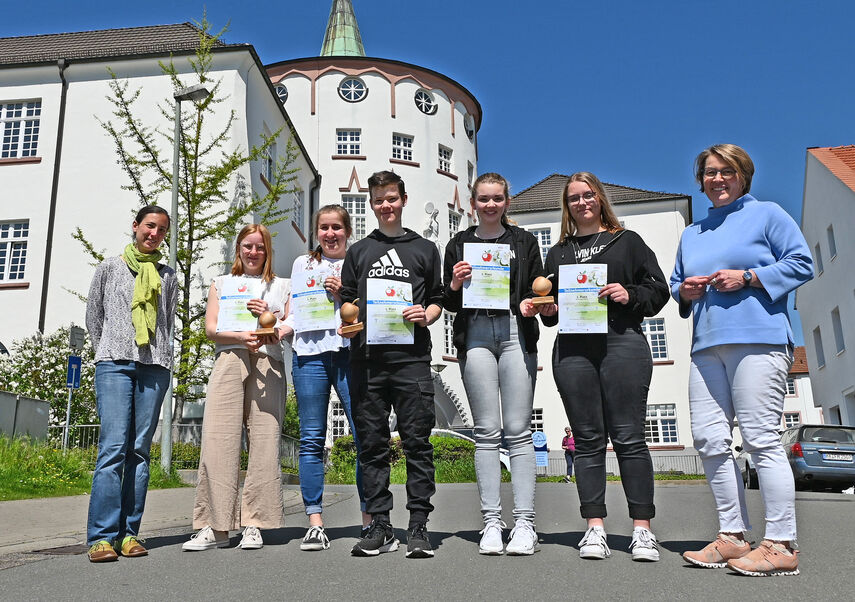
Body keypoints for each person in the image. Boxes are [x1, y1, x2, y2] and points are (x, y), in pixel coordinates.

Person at [673, 144, 813, 576]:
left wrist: (749, 277)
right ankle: (733, 537)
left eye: (726, 172)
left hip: (759, 338)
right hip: (705, 345)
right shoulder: (691, 233)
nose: (717, 180)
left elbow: (802, 262)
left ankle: (782, 543)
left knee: (761, 438)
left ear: (743, 176)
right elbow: (677, 285)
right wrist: (687, 291)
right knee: (711, 441)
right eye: (709, 173)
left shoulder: (767, 214)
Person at [539, 172, 669, 562]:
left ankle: (641, 530)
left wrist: (629, 293)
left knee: (629, 438)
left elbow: (658, 289)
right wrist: (548, 308)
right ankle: (594, 527)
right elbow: (549, 313)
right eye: (574, 198)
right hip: (574, 351)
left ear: (599, 199)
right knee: (588, 440)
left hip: (622, 343)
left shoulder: (626, 241)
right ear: (567, 206)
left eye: (588, 195)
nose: (582, 203)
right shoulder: (558, 253)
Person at [340, 170, 443, 558]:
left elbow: (437, 296)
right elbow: (347, 301)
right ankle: (380, 525)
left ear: (403, 199)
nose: (386, 205)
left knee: (417, 443)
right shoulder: (359, 251)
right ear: (371, 204)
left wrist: (428, 315)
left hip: (411, 359)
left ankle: (418, 526)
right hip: (366, 360)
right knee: (372, 446)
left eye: (392, 198)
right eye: (379, 199)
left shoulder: (424, 249)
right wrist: (348, 325)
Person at [443, 172, 543, 555]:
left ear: (507, 201)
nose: (490, 205)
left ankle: (524, 524)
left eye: (497, 198)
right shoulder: (459, 243)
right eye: (483, 199)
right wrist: (453, 283)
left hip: (516, 332)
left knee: (517, 430)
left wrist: (530, 303)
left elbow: (539, 288)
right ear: (473, 203)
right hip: (476, 335)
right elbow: (449, 304)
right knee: (485, 430)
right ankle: (490, 522)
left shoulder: (524, 241)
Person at [183, 224, 290, 552]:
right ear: (238, 249)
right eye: (247, 246)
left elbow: (290, 321)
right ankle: (212, 526)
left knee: (265, 440)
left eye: (259, 247)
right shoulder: (221, 283)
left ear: (267, 250)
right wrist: (240, 337)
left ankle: (255, 522)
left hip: (268, 360)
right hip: (229, 357)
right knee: (217, 439)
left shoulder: (282, 285)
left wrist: (273, 324)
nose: (253, 252)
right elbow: (211, 329)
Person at [85, 205, 177, 562]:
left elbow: (167, 320)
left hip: (154, 366)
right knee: (112, 449)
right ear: (136, 226)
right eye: (149, 226)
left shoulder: (168, 275)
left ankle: (129, 534)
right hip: (114, 364)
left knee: (139, 451)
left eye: (162, 230)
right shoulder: (109, 267)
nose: (154, 234)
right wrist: (108, 349)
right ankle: (101, 537)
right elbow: (95, 316)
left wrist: (165, 357)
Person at [280, 205, 371, 550]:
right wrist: (280, 329)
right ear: (316, 231)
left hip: (349, 355)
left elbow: (373, 308)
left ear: (347, 231)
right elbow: (295, 312)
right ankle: (315, 521)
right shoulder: (303, 265)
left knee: (365, 436)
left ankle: (369, 518)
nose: (330, 234)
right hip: (309, 355)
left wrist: (345, 293)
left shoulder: (359, 262)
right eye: (324, 228)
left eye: (337, 227)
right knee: (312, 438)